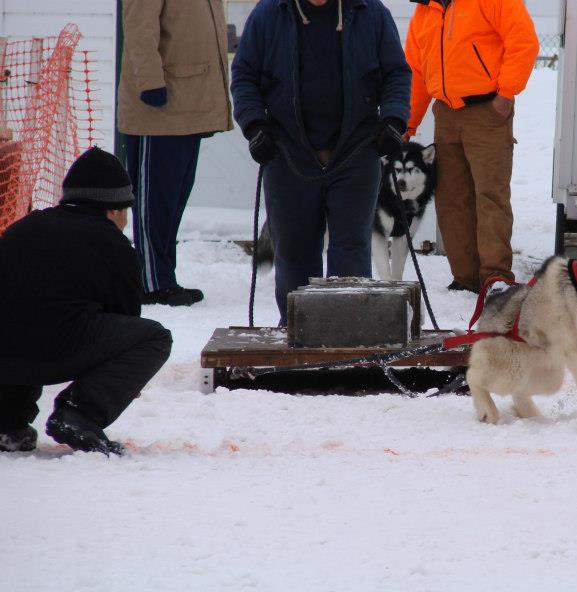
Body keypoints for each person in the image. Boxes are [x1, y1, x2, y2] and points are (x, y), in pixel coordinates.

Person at [231, 0, 411, 325]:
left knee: (351, 250)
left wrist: (394, 119)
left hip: (356, 152)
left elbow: (396, 73)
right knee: (295, 252)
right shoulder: (270, 13)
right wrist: (255, 124)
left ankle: (348, 336)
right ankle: (298, 336)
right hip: (288, 154)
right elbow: (244, 76)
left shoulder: (370, 12)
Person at [0, 148, 173, 455]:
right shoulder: (112, 244)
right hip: (55, 349)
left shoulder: (23, 228)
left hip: (6, 354)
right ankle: (79, 414)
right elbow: (126, 318)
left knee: (23, 318)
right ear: (115, 210)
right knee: (153, 337)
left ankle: (8, 423)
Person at [404, 0, 539, 293]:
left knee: (490, 195)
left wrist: (505, 95)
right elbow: (416, 70)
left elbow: (523, 42)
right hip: (445, 114)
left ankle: (495, 276)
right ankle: (465, 278)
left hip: (488, 111)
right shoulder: (424, 11)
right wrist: (407, 124)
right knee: (451, 198)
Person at [118, 0, 233, 307]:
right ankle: (151, 282)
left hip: (187, 105)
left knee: (172, 202)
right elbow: (140, 29)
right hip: (159, 109)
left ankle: (164, 278)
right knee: (154, 204)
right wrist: (150, 82)